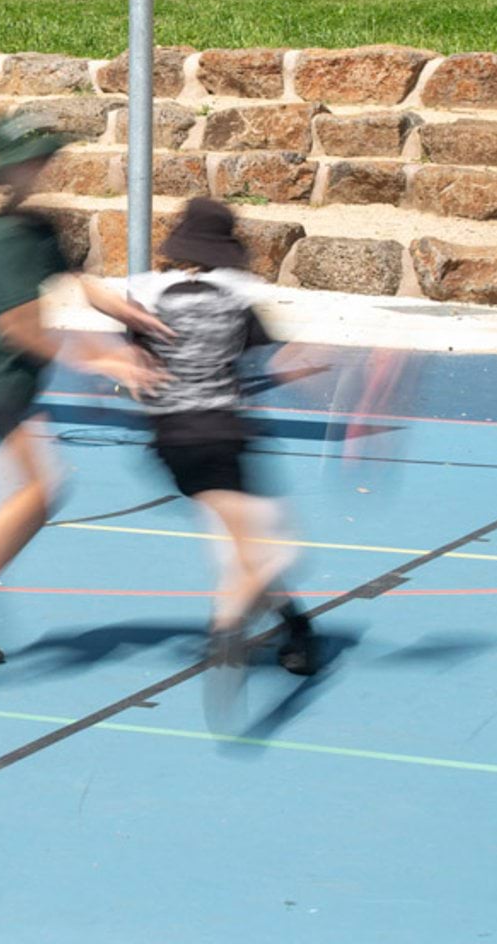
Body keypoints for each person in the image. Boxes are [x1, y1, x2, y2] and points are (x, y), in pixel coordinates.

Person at [0, 119, 169, 664]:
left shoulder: (38, 226)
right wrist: (105, 360)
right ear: (13, 171)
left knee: (20, 496)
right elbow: (19, 329)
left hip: (8, 376)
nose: (41, 168)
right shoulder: (5, 237)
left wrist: (132, 315)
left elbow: (79, 282)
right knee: (38, 493)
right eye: (33, 160)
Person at [123, 197, 326, 677]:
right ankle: (235, 623)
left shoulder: (148, 296)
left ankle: (292, 628)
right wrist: (333, 372)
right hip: (222, 433)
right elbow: (276, 364)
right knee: (270, 543)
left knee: (242, 539)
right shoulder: (237, 295)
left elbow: (136, 366)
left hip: (171, 443)